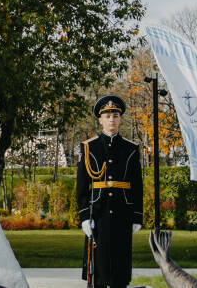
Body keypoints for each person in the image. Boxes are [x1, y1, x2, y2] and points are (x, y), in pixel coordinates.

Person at [76, 95, 144, 288]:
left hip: (123, 212)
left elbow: (137, 186)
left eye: (115, 115)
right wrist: (83, 217)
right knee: (99, 267)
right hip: (98, 212)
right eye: (107, 116)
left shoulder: (131, 149)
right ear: (100, 120)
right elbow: (81, 186)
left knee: (120, 269)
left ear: (120, 118)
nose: (111, 119)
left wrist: (137, 217)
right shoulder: (89, 147)